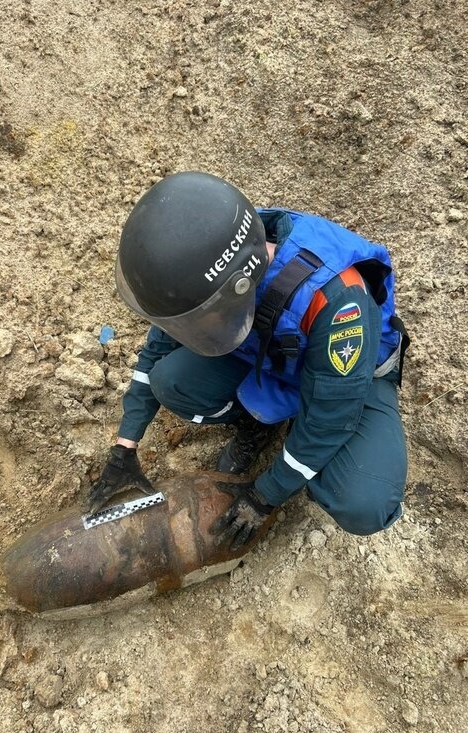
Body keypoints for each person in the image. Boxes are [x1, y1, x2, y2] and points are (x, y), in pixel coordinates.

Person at [88, 172, 409, 551]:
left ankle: (295, 450)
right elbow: (156, 350)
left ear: (239, 287)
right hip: (273, 356)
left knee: (363, 503)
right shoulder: (203, 263)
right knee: (170, 379)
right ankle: (258, 424)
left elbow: (330, 419)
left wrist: (264, 495)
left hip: (349, 378)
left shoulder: (338, 304)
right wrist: (125, 446)